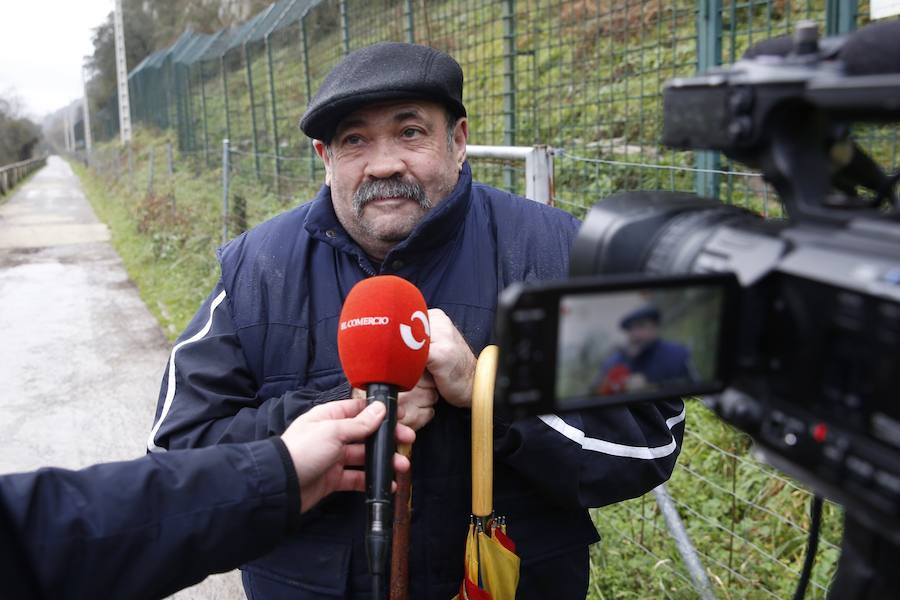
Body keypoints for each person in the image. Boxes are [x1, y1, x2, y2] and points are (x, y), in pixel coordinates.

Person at [147, 42, 686, 599]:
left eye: (410, 132)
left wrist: (487, 392)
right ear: (324, 157)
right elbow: (177, 455)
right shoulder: (254, 269)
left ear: (457, 141)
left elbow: (651, 435)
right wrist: (342, 412)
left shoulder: (558, 251)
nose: (383, 164)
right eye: (354, 139)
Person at [0, 399, 414, 600]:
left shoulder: (482, 237)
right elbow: (178, 439)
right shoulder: (247, 264)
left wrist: (474, 381)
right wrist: (280, 468)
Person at [595, 304, 696, 396]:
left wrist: (651, 387)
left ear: (654, 327)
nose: (635, 334)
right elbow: (598, 393)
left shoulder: (676, 355)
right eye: (631, 329)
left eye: (641, 326)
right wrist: (622, 387)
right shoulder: (615, 361)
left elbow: (693, 389)